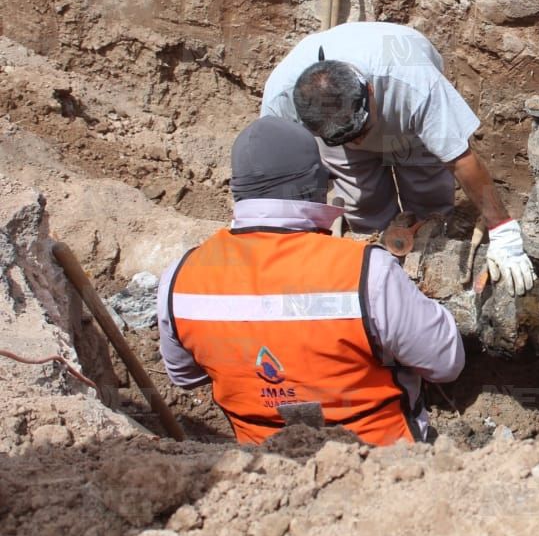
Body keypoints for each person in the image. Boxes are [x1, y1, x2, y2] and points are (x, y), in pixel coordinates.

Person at [156, 116, 464, 445]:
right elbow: (446, 363)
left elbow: (184, 376)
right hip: (382, 469)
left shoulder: (179, 278)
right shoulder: (367, 272)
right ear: (316, 185)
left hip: (262, 473)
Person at [261, 21, 535, 296]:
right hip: (341, 129)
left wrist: (502, 228)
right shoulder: (282, 98)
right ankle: (378, 269)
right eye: (346, 138)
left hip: (403, 122)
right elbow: (276, 171)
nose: (358, 142)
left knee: (428, 194)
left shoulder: (413, 83)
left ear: (369, 90)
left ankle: (433, 242)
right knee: (362, 203)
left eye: (362, 132)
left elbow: (460, 158)